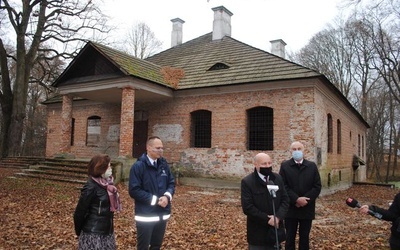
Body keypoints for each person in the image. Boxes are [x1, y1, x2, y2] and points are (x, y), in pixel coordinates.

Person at [129, 136, 175, 250]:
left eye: (162, 148)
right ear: (148, 148)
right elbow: (134, 190)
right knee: (143, 246)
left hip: (162, 214)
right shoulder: (138, 166)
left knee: (156, 246)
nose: (161, 150)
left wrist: (167, 196)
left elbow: (171, 182)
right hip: (146, 215)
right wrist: (155, 200)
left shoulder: (164, 165)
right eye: (157, 148)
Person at [241, 153, 289, 250]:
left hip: (276, 231)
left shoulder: (277, 178)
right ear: (256, 164)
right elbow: (248, 207)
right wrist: (268, 219)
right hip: (257, 233)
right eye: (264, 164)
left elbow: (285, 200)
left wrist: (278, 217)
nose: (267, 166)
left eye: (269, 163)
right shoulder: (248, 182)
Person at [279, 141, 322, 250]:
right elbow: (283, 186)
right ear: (290, 151)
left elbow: (317, 186)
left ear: (304, 150)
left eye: (299, 149)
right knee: (289, 237)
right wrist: (296, 199)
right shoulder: (285, 166)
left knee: (304, 237)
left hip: (307, 208)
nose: (297, 151)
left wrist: (305, 200)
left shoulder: (312, 166)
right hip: (290, 208)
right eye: (294, 149)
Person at [74, 154, 122, 250]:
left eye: (110, 166)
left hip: (107, 233)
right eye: (108, 166)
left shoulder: (109, 185)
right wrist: (80, 232)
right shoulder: (91, 187)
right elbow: (79, 213)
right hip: (93, 234)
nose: (110, 169)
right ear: (100, 168)